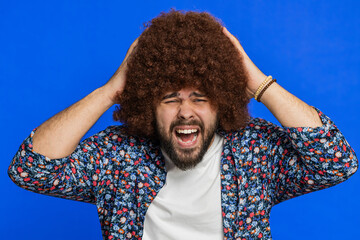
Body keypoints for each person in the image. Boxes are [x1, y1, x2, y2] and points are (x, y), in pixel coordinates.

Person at [8, 9, 358, 240]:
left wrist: (255, 82)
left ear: (222, 100)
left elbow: (337, 163)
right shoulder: (118, 156)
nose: (185, 112)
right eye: (171, 97)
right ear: (148, 102)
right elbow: (30, 170)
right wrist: (111, 90)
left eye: (201, 97)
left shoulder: (255, 153)